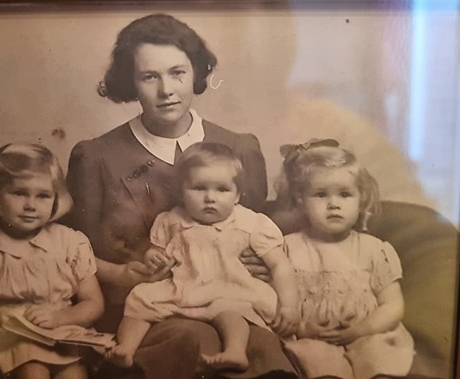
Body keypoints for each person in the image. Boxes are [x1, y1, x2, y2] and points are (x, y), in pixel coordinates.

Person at [65, 13, 295, 379]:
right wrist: (125, 273)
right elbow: (74, 253)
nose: (166, 89)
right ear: (130, 82)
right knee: (195, 337)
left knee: (257, 344)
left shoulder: (239, 148)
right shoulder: (95, 157)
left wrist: (261, 265)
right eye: (149, 77)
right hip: (146, 310)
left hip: (231, 300)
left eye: (177, 73)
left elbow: (253, 232)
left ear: (196, 74)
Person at [104, 142, 300, 371]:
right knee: (139, 300)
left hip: (230, 288)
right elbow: (156, 250)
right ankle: (126, 348)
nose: (210, 198)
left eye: (222, 189)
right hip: (183, 288)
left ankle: (235, 351)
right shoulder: (171, 220)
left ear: (237, 195)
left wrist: (289, 307)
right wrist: (153, 257)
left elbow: (280, 265)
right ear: (182, 192)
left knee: (230, 311)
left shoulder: (251, 223)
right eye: (199, 188)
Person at [0, 139, 104, 379]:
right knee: (33, 370)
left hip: (58, 330)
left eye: (43, 196)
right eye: (19, 193)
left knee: (73, 373)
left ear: (56, 199)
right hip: (6, 335)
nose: (31, 205)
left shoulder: (71, 243)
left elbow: (93, 303)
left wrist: (60, 317)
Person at [275, 138, 415, 378]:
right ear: (301, 201)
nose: (333, 204)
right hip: (313, 338)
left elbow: (393, 305)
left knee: (377, 357)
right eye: (320, 195)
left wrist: (362, 329)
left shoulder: (375, 249)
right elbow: (275, 305)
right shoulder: (288, 248)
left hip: (368, 335)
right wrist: (302, 327)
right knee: (312, 359)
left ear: (361, 200)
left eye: (344, 194)